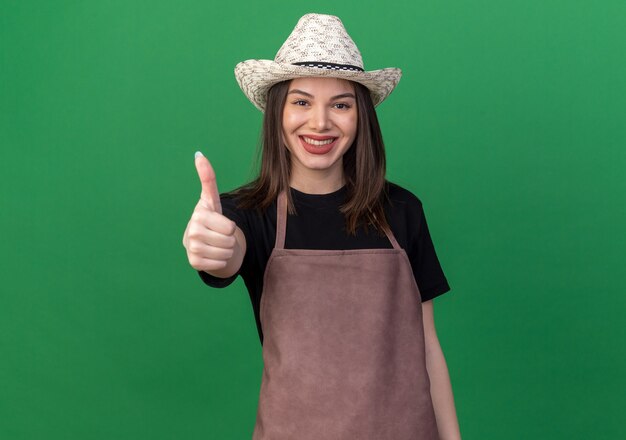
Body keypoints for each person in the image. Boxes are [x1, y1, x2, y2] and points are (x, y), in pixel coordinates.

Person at [183, 13, 461, 440]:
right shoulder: (245, 214)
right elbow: (225, 254)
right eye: (301, 101)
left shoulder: (402, 210)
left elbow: (427, 347)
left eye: (341, 104)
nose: (320, 123)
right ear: (277, 112)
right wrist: (212, 248)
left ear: (360, 116)